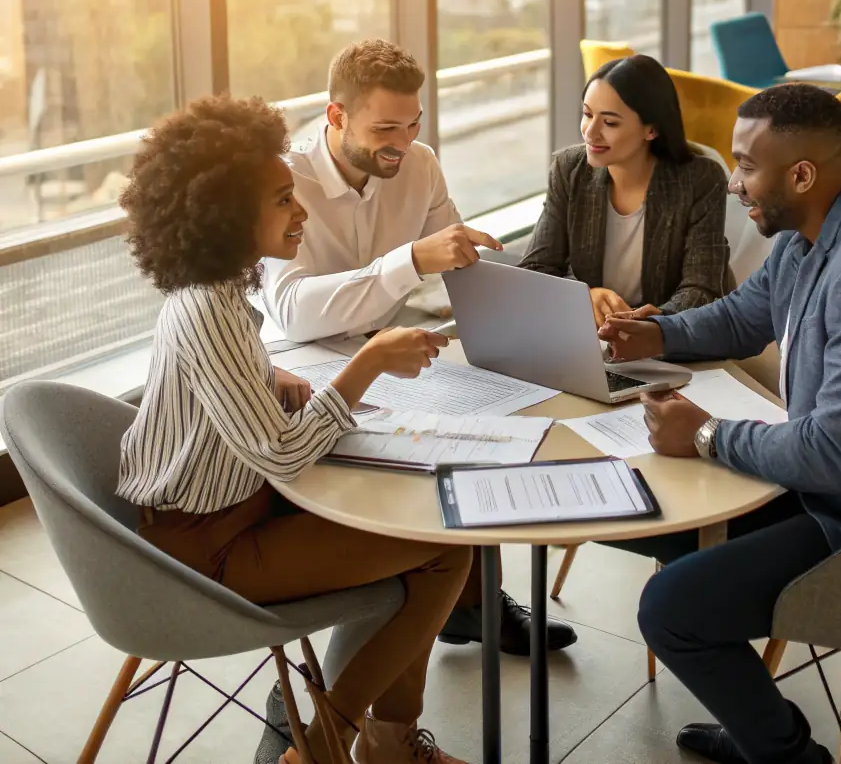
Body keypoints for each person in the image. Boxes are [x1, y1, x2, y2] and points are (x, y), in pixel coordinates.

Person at [598, 83, 841, 764]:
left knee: (670, 608)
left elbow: (836, 455)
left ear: (802, 174)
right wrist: (652, 336)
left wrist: (704, 433)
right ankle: (761, 723)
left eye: (747, 164)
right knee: (642, 516)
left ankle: (787, 753)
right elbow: (743, 317)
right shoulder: (814, 234)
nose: (733, 183)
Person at [116, 94, 472, 764]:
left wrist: (263, 377)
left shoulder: (213, 287)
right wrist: (366, 364)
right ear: (226, 214)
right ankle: (332, 739)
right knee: (445, 548)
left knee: (414, 514)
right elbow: (282, 457)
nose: (301, 209)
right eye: (283, 199)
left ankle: (375, 738)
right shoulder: (210, 310)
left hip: (227, 506)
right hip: (207, 549)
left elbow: (217, 392)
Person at [261, 39, 576, 657]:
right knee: (422, 466)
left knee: (482, 432)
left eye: (413, 125)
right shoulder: (284, 180)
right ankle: (447, 602)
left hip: (385, 353)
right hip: (301, 372)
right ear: (336, 116)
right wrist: (407, 261)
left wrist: (555, 305)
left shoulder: (420, 164)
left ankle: (473, 600)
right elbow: (292, 312)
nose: (401, 144)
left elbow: (460, 263)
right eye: (385, 128)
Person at [520, 54, 730, 324]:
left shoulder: (700, 179)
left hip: (671, 339)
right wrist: (583, 297)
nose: (590, 132)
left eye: (609, 123)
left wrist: (651, 324)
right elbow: (534, 270)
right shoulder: (568, 169)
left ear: (651, 129)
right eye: (587, 114)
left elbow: (702, 289)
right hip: (593, 340)